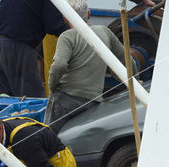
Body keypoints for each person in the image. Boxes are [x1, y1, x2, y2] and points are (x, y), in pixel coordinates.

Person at [45, 0, 136, 134]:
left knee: (50, 138)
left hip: (64, 100)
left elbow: (59, 65)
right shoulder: (105, 32)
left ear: (65, 18)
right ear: (88, 13)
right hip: (92, 101)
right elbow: (129, 61)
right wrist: (136, 81)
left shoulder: (67, 36)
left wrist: (52, 86)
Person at [0, 0, 69, 98]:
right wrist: (75, 33)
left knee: (6, 95)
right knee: (32, 97)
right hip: (17, 42)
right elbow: (54, 25)